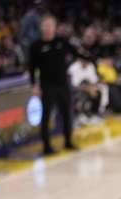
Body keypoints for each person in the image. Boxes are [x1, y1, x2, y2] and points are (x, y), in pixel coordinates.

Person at [28, 15, 79, 155]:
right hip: (47, 86)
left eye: (51, 25)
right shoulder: (36, 46)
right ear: (41, 27)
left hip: (63, 84)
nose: (48, 28)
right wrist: (34, 85)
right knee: (46, 116)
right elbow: (31, 68)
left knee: (67, 113)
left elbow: (76, 53)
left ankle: (68, 141)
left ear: (55, 27)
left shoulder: (62, 42)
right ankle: (47, 146)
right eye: (46, 25)